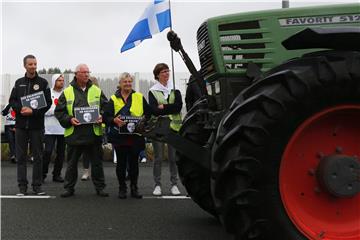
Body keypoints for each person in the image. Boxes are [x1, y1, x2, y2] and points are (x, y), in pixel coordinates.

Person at [104, 72, 168, 199]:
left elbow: (149, 112)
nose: (127, 84)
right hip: (119, 137)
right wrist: (114, 120)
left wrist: (144, 122)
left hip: (135, 136)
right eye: (125, 82)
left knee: (134, 164)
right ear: (120, 84)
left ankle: (134, 188)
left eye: (129, 82)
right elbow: (106, 116)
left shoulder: (139, 96)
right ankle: (122, 188)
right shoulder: (113, 99)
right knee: (121, 164)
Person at [55, 64, 108, 198]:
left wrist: (102, 115)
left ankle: (100, 188)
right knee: (71, 164)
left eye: (88, 72)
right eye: (84, 72)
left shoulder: (96, 90)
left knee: (96, 164)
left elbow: (107, 108)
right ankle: (69, 188)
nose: (86, 75)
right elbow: (59, 112)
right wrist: (69, 119)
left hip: (93, 134)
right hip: (74, 134)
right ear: (76, 74)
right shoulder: (67, 92)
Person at [9, 54, 52, 195]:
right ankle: (22, 186)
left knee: (38, 157)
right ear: (25, 66)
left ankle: (37, 186)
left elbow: (47, 103)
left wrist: (33, 112)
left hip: (37, 126)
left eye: (35, 64)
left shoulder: (43, 83)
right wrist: (20, 109)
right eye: (30, 64)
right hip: (21, 126)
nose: (33, 66)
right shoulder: (18, 82)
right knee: (21, 157)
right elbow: (12, 101)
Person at [149, 63, 183, 196]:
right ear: (157, 75)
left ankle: (174, 184)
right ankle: (157, 185)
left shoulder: (176, 89)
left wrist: (164, 107)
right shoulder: (153, 90)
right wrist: (167, 107)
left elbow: (178, 107)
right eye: (163, 72)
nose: (167, 74)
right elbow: (154, 110)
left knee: (173, 158)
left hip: (174, 127)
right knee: (158, 158)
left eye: (167, 71)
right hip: (158, 127)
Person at [42, 74, 65, 183]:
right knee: (47, 151)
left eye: (62, 80)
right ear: (54, 81)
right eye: (59, 80)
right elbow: (43, 110)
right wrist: (55, 112)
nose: (61, 82)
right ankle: (42, 174)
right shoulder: (48, 93)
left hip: (63, 128)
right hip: (49, 129)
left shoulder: (66, 94)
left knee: (61, 153)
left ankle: (57, 174)